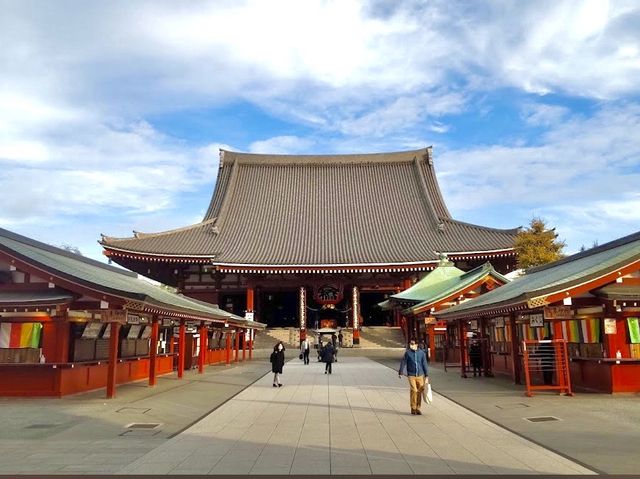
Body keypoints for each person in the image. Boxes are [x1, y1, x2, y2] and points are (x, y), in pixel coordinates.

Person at [398, 338, 429, 415]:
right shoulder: (408, 353)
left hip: (420, 375)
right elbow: (403, 362)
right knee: (414, 390)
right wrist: (401, 372)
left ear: (416, 344)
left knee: (419, 391)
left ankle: (418, 408)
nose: (411, 345)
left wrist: (427, 375)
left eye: (412, 343)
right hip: (411, 375)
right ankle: (413, 407)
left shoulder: (421, 353)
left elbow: (424, 364)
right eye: (410, 343)